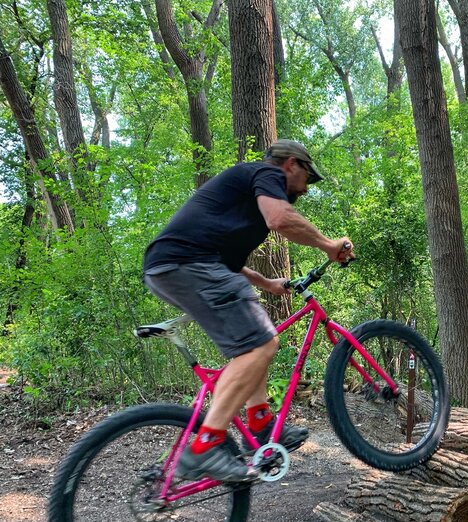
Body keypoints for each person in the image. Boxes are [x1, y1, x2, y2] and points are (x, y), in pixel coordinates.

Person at [143, 140, 354, 483]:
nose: (306, 187)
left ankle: (259, 425)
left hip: (173, 266)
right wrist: (329, 244)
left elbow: (231, 264)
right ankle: (205, 447)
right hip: (187, 264)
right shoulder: (266, 173)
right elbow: (280, 218)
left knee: (254, 340)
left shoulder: (243, 207)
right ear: (290, 165)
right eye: (306, 177)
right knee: (262, 345)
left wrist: (268, 283)